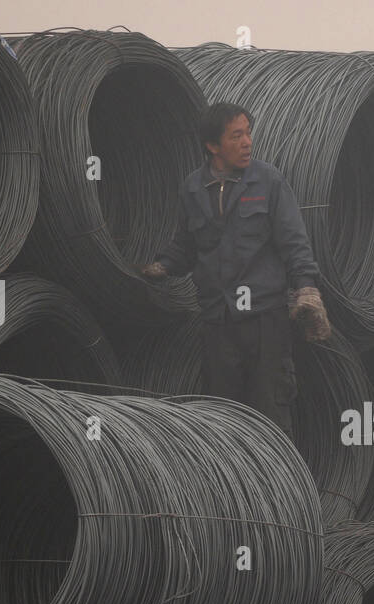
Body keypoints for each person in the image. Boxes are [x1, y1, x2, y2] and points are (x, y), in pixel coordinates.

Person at [141, 102, 330, 440]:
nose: (247, 143)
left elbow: (294, 240)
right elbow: (185, 247)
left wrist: (307, 289)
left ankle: (276, 488)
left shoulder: (268, 181)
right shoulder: (193, 189)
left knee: (270, 413)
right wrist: (161, 267)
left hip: (264, 321)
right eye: (236, 136)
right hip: (219, 321)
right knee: (221, 419)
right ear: (213, 146)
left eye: (248, 133)